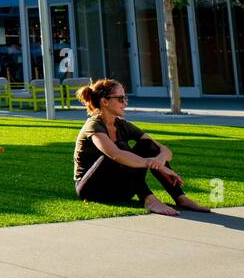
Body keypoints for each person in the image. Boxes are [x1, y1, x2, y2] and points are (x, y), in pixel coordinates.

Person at [73, 79, 210, 216]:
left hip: (122, 189)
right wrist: (155, 165)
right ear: (104, 101)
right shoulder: (93, 125)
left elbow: (163, 149)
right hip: (93, 189)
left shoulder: (121, 124)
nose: (125, 103)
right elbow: (116, 154)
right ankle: (148, 199)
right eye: (120, 99)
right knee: (120, 151)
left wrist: (159, 160)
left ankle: (181, 198)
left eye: (125, 98)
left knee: (148, 146)